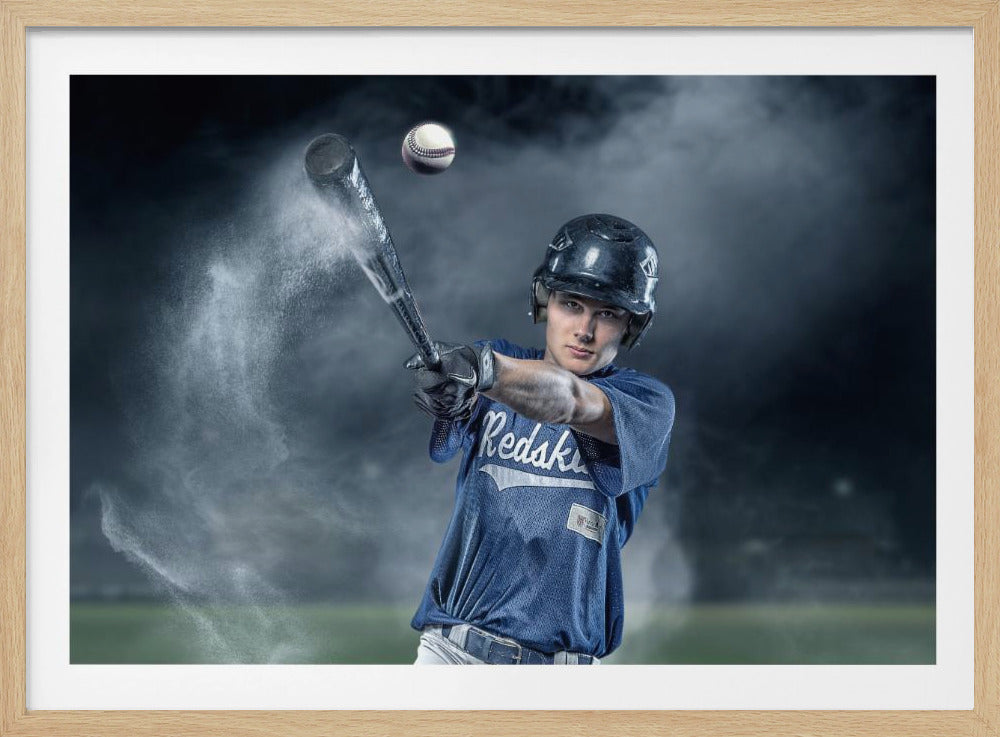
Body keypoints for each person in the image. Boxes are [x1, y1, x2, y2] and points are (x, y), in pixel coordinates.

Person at [406, 213, 674, 665]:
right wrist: (448, 391)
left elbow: (570, 400)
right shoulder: (499, 365)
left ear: (633, 324)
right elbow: (449, 429)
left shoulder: (647, 404)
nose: (585, 330)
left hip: (560, 675)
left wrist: (482, 369)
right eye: (572, 303)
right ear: (543, 302)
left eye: (607, 312)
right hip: (450, 654)